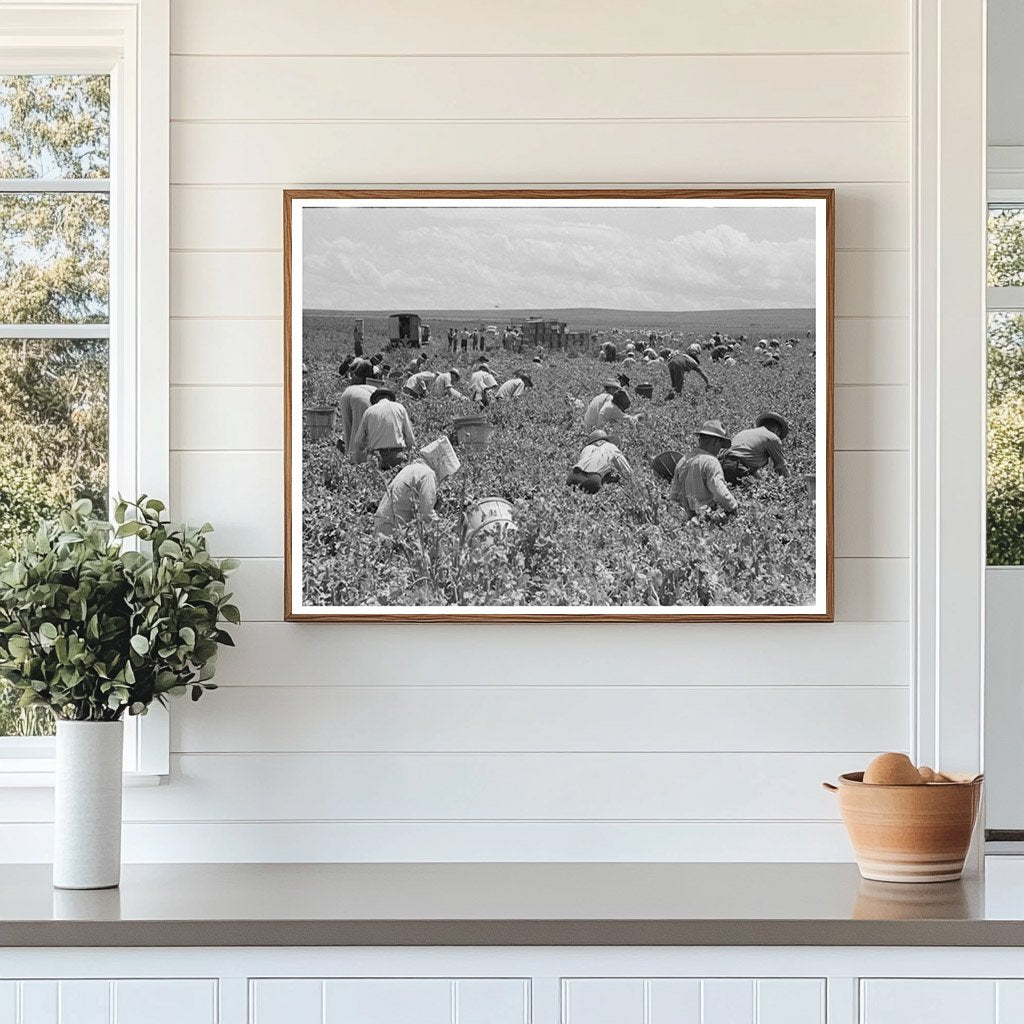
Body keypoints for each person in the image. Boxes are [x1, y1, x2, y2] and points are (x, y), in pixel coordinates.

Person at [375, 436, 461, 537]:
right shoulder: (427, 474)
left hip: (383, 523)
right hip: (392, 528)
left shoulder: (413, 468)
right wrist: (447, 530)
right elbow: (427, 514)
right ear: (440, 462)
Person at [670, 420, 738, 520]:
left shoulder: (683, 460)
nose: (719, 450)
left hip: (685, 519)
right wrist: (734, 508)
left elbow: (675, 494)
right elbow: (720, 492)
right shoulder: (710, 461)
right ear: (716, 442)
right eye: (720, 445)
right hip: (706, 518)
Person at [348, 388, 416, 469]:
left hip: (376, 456)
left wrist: (363, 451)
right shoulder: (400, 408)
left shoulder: (369, 411)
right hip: (397, 455)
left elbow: (358, 440)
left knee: (376, 480)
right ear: (390, 398)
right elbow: (409, 437)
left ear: (376, 399)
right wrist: (410, 453)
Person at [720, 413, 791, 483]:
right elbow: (781, 466)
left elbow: (744, 462)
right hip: (735, 469)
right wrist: (790, 482)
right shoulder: (772, 437)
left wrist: (761, 482)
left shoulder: (746, 432)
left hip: (721, 466)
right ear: (776, 430)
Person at [567, 429, 633, 494]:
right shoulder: (610, 446)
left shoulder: (586, 448)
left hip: (573, 476)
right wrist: (632, 481)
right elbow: (626, 470)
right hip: (592, 479)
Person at [337, 378, 376, 452]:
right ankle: (356, 458)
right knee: (359, 428)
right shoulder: (386, 404)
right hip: (362, 397)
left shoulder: (372, 388)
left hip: (346, 393)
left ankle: (348, 454)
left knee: (348, 427)